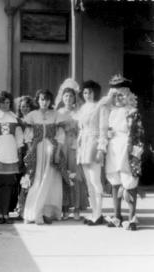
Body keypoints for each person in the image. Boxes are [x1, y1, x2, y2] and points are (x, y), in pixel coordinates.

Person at [104, 75, 144, 231]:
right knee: (115, 181)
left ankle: (132, 218)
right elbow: (107, 130)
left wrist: (137, 152)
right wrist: (107, 135)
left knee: (130, 182)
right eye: (115, 95)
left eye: (121, 95)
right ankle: (117, 215)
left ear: (127, 95)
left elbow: (139, 133)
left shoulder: (133, 112)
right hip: (114, 148)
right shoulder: (111, 112)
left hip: (128, 149)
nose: (118, 98)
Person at [23, 89, 68, 225]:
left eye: (47, 99)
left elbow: (60, 135)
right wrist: (30, 150)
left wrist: (57, 152)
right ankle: (33, 212)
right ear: (38, 100)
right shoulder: (32, 115)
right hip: (37, 149)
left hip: (51, 148)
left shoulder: (56, 115)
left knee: (50, 179)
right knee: (36, 179)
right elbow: (28, 136)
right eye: (42, 99)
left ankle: (47, 212)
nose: (44, 102)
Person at [55, 79, 89, 220]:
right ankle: (64, 208)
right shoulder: (59, 112)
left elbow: (83, 129)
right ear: (62, 98)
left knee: (75, 175)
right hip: (62, 145)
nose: (68, 98)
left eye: (71, 96)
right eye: (66, 96)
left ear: (75, 97)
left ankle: (76, 208)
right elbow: (56, 131)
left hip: (75, 145)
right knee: (63, 174)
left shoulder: (79, 112)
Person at [0, 91, 24, 224]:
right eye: (3, 102)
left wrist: (20, 151)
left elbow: (19, 136)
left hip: (11, 153)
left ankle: (6, 213)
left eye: (8, 102)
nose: (6, 104)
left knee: (9, 185)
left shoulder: (14, 118)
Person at [77, 80, 109, 226]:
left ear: (95, 92)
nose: (87, 95)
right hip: (83, 146)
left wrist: (101, 149)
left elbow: (103, 130)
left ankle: (99, 214)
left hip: (94, 144)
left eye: (89, 92)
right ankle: (94, 213)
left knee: (95, 181)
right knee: (88, 183)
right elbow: (81, 129)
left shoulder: (100, 107)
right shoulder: (83, 108)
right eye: (84, 92)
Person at [15, 95, 36, 218]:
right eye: (23, 106)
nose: (25, 108)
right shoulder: (17, 120)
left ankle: (24, 208)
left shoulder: (34, 120)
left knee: (28, 179)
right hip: (18, 151)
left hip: (29, 151)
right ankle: (19, 207)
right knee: (18, 180)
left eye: (27, 106)